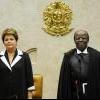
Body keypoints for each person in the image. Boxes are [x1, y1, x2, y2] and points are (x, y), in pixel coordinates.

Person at [57, 29, 100, 99]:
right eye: (78, 38)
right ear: (74, 40)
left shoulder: (96, 56)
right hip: (74, 93)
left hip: (93, 92)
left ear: (88, 40)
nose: (81, 40)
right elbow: (64, 81)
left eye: (84, 38)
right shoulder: (68, 57)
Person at [0, 28, 35, 99]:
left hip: (20, 94)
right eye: (6, 40)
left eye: (11, 39)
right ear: (3, 42)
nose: (9, 41)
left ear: (16, 40)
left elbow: (29, 79)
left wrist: (30, 97)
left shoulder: (24, 56)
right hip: (2, 94)